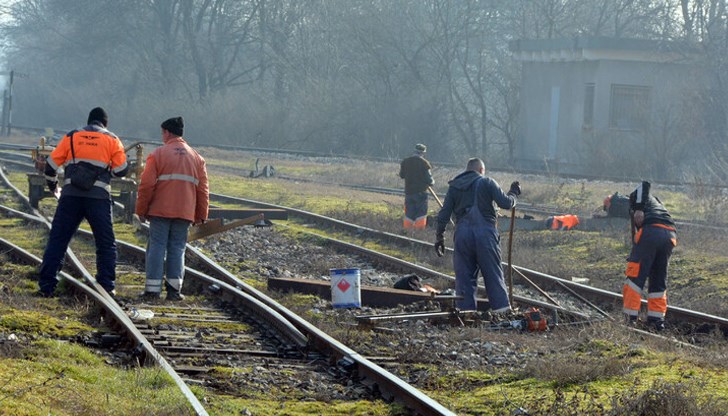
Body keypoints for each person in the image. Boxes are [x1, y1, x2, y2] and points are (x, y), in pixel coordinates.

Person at [38, 107, 128, 297]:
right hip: (99, 198)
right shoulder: (112, 139)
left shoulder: (72, 136)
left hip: (70, 196)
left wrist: (53, 186)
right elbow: (122, 170)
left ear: (89, 121)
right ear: (105, 124)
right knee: (105, 242)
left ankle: (47, 284)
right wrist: (106, 170)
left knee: (58, 239)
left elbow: (51, 166)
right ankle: (106, 284)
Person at [135, 117, 209, 301]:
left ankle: (153, 290)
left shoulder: (158, 154)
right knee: (178, 248)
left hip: (160, 211)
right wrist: (201, 214)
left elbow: (146, 185)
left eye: (162, 133)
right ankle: (174, 291)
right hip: (184, 212)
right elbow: (203, 189)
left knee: (157, 247)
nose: (162, 136)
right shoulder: (197, 158)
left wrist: (141, 210)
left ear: (167, 132)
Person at [434, 158, 521, 312]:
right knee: (493, 274)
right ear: (481, 170)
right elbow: (506, 203)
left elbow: (444, 214)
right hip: (485, 236)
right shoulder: (487, 182)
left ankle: (466, 313)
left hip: (462, 236)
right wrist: (514, 194)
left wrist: (439, 236)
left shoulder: (454, 186)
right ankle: (502, 312)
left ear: (467, 170)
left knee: (464, 278)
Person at [623, 181, 677, 331]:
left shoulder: (636, 198)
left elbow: (644, 184)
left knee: (634, 276)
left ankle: (630, 319)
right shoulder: (657, 205)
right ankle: (656, 320)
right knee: (658, 278)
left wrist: (638, 209)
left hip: (651, 232)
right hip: (670, 236)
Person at [399, 143, 434, 229]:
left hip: (409, 193)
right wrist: (432, 182)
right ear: (423, 153)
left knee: (409, 214)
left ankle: (407, 230)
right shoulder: (424, 163)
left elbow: (402, 175)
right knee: (421, 215)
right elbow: (430, 181)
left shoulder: (405, 162)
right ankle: (419, 232)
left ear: (414, 151)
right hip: (421, 193)